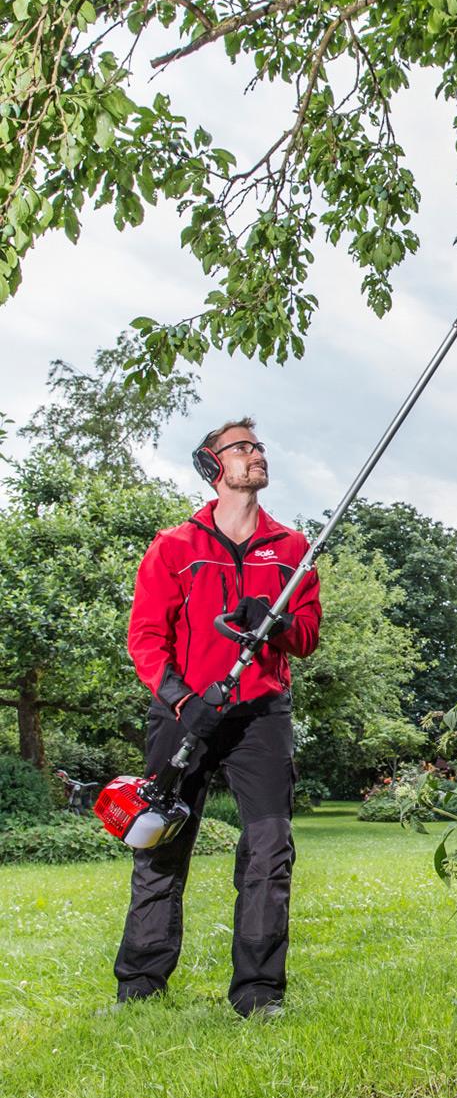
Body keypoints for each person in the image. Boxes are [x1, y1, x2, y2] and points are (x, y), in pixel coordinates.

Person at [114, 418, 321, 1017]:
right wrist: (183, 699)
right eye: (243, 447)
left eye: (259, 447)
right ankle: (140, 985)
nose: (257, 455)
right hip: (186, 712)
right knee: (160, 843)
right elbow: (146, 638)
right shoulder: (174, 546)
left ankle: (258, 992)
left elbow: (308, 636)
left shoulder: (292, 550)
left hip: (262, 714)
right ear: (213, 464)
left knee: (269, 851)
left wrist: (276, 623)